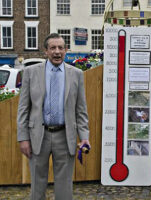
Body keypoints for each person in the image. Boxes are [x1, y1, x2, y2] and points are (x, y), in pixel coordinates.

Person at [17, 33, 90, 200]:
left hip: (65, 136)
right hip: (38, 136)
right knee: (37, 185)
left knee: (64, 186)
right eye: (53, 48)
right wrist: (23, 138)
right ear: (45, 51)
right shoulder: (30, 72)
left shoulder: (76, 74)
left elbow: (81, 110)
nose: (57, 51)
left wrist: (84, 136)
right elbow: (23, 109)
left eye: (60, 48)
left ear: (66, 50)